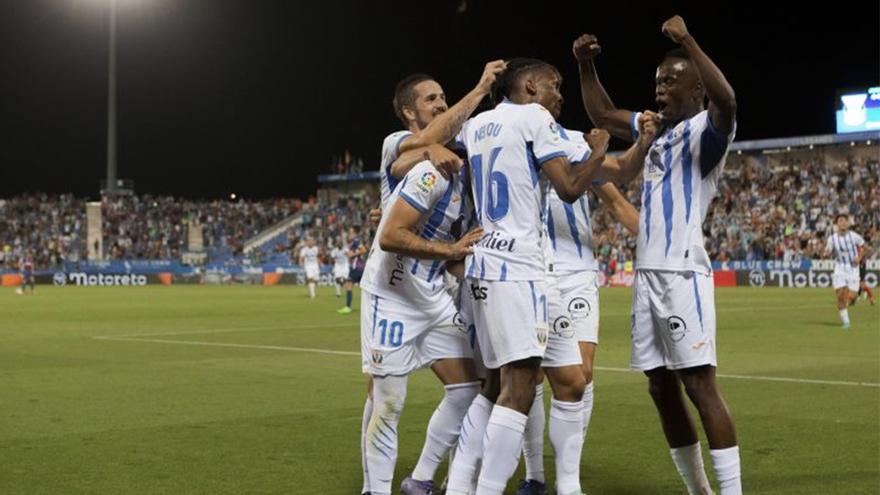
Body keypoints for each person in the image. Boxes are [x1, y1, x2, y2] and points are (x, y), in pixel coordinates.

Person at [450, 57, 651, 495]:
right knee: (516, 389)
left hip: (515, 269)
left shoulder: (476, 126)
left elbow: (448, 150)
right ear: (528, 87)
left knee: (572, 379)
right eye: (553, 84)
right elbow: (570, 187)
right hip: (516, 270)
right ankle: (486, 488)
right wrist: (599, 147)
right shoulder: (535, 117)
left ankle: (562, 485)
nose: (559, 94)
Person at [574, 15, 742, 494]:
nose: (660, 87)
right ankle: (699, 490)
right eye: (657, 81)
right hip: (647, 275)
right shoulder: (654, 130)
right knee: (660, 387)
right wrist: (586, 67)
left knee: (698, 385)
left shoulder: (707, 135)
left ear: (695, 91)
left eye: (672, 80)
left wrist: (688, 38)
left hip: (681, 273)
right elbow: (603, 116)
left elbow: (727, 100)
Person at [360, 159, 483, 495]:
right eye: (431, 100)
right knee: (389, 401)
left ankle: (420, 479)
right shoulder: (429, 169)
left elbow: (456, 258)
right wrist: (451, 249)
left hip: (434, 297)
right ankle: (377, 489)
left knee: (468, 389)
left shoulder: (472, 189)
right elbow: (390, 235)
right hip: (392, 295)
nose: (440, 103)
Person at [824, 214, 866, 326]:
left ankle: (852, 299)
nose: (843, 223)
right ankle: (846, 323)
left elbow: (864, 246)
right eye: (840, 221)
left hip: (853, 269)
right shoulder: (832, 238)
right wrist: (826, 254)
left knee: (852, 297)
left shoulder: (854, 236)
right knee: (840, 296)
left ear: (848, 223)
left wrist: (859, 257)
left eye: (844, 221)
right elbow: (826, 252)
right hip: (840, 269)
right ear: (837, 224)